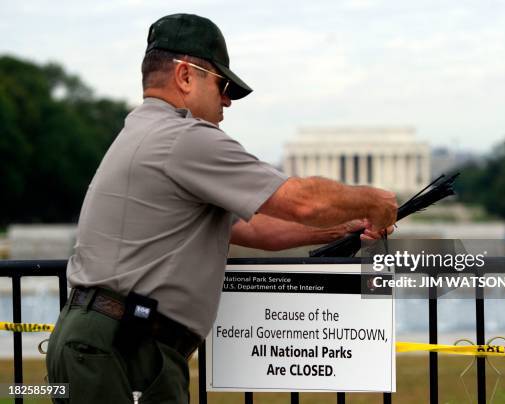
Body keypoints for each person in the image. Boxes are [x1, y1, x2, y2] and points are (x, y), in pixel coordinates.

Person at [46, 13, 397, 404]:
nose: (227, 99)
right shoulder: (185, 139)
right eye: (223, 84)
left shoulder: (143, 133)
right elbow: (302, 201)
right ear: (185, 75)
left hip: (103, 340)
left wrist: (346, 226)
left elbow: (255, 229)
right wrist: (375, 201)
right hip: (123, 347)